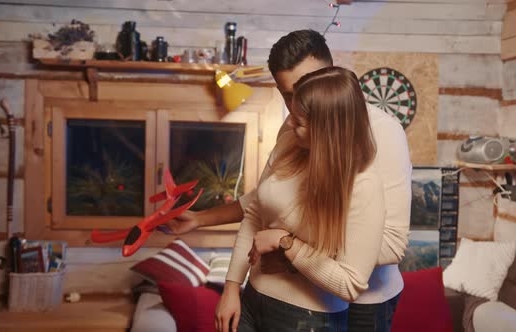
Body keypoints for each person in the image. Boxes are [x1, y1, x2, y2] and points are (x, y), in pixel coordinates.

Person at [163, 30, 411, 331]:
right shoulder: (296, 125)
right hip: (289, 294)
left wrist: (288, 248)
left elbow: (392, 243)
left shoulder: (383, 132)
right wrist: (200, 220)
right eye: (288, 95)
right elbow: (266, 202)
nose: (295, 107)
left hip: (365, 302)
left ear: (330, 74)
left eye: (305, 89)